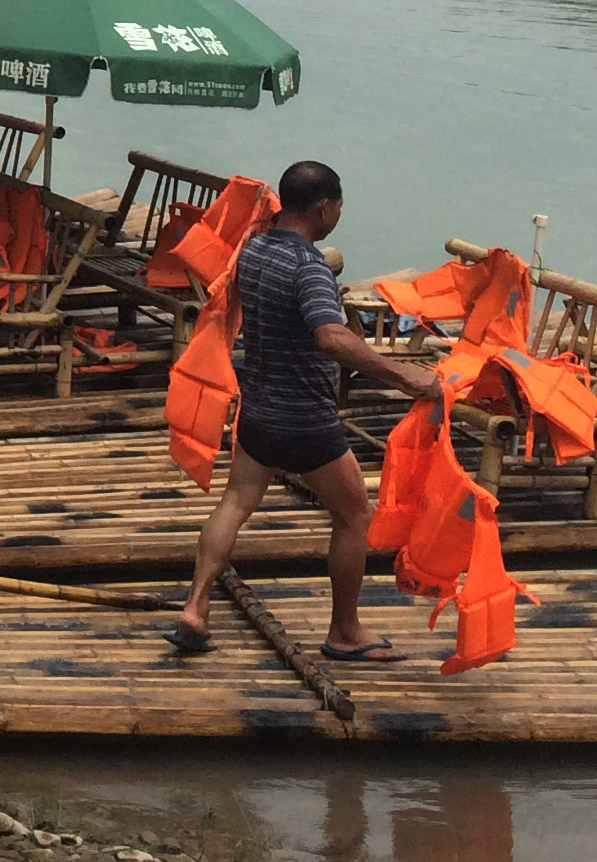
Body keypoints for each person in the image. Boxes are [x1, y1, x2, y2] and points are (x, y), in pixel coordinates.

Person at [169, 159, 437, 665]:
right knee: (354, 514)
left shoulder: (255, 248)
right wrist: (407, 378)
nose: (339, 212)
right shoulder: (308, 266)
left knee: (235, 503)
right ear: (324, 208)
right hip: (305, 420)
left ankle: (195, 606)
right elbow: (329, 335)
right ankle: (345, 631)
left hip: (258, 410)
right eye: (338, 205)